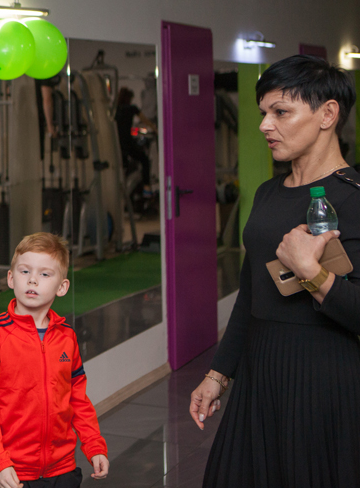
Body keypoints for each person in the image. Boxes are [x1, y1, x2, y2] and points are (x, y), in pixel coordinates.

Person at [190, 54, 360, 488]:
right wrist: (218, 374)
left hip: (323, 377)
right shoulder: (268, 193)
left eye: (281, 112)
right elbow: (251, 294)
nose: (266, 125)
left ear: (327, 114)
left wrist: (311, 272)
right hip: (260, 371)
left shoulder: (354, 199)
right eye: (264, 113)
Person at [0, 232, 109, 488]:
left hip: (63, 469)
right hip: (13, 472)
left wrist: (94, 444)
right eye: (25, 271)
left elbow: (78, 399)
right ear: (11, 278)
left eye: (45, 274)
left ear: (62, 287)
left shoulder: (66, 337)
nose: (32, 279)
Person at [115, 87, 155, 194]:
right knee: (144, 160)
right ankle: (146, 187)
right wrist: (155, 129)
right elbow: (145, 121)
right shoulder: (132, 108)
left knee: (123, 165)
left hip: (118, 144)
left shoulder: (116, 109)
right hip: (128, 143)